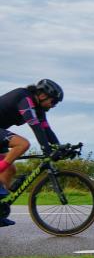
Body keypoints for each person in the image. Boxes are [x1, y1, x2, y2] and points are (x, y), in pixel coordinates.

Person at [0, 79, 64, 227]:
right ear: (42, 95)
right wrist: (47, 149)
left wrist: (59, 148)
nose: (53, 106)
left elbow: (46, 130)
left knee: (10, 169)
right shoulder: (25, 98)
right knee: (22, 144)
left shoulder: (39, 109)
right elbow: (35, 126)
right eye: (53, 102)